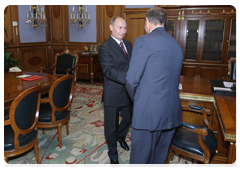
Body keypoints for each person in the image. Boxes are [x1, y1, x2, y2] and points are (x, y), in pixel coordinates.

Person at [125, 7, 183, 167]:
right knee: (158, 159)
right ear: (164, 23)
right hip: (170, 113)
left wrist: (137, 100)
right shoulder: (177, 45)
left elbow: (131, 80)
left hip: (148, 114)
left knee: (140, 160)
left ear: (147, 21)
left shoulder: (143, 41)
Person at [98, 17, 133, 167]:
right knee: (110, 128)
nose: (123, 31)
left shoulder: (129, 44)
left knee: (130, 117)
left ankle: (121, 136)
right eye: (120, 28)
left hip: (127, 92)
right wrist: (131, 77)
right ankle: (113, 154)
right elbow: (109, 71)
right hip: (113, 93)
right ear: (111, 27)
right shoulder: (105, 47)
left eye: (125, 28)